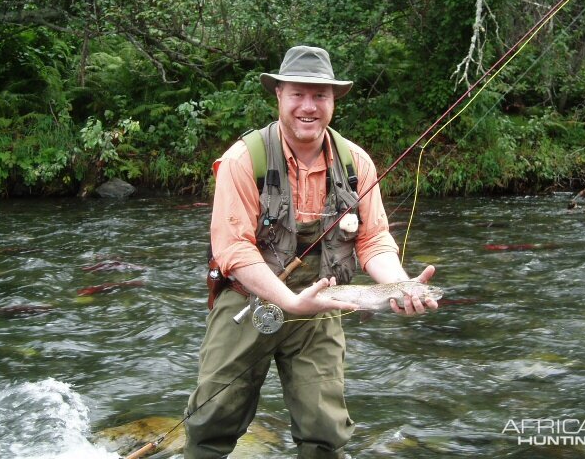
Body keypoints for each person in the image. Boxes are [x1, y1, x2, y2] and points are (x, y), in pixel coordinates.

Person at [185, 45, 438, 459]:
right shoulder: (242, 160)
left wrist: (399, 285)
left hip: (322, 305)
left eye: (320, 95)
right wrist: (288, 301)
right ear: (279, 96)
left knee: (325, 430)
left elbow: (373, 240)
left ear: (333, 100)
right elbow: (233, 250)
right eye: (298, 94)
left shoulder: (356, 163)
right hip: (248, 303)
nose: (309, 106)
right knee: (212, 419)